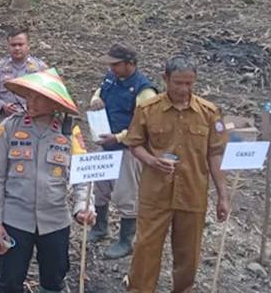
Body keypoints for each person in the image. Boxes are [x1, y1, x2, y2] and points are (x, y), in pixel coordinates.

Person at [0, 69, 95, 293]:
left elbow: (84, 176)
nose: (30, 101)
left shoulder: (69, 130)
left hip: (55, 221)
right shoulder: (9, 128)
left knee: (54, 280)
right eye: (29, 96)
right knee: (9, 281)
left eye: (38, 97)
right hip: (15, 220)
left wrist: (84, 207)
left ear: (53, 103)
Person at [125, 56, 229, 293]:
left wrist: (223, 196)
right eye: (178, 83)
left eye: (189, 84)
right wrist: (153, 161)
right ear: (165, 79)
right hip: (155, 194)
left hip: (193, 194)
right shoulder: (148, 110)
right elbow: (135, 144)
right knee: (146, 249)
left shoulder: (209, 113)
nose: (184, 90)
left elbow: (215, 155)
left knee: (188, 253)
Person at [87, 43, 157, 259]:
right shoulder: (110, 79)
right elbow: (98, 93)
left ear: (131, 64)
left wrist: (118, 137)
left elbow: (145, 126)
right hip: (106, 143)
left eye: (116, 65)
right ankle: (100, 227)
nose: (111, 68)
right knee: (100, 186)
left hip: (128, 149)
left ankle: (126, 239)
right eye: (110, 65)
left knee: (126, 193)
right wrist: (96, 100)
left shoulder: (144, 90)